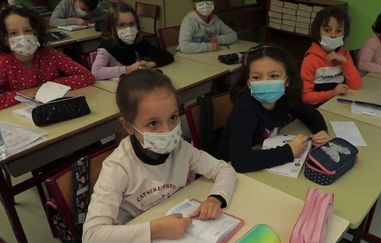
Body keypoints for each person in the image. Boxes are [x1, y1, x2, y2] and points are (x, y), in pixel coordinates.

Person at [83, 69, 237, 242]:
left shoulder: (180, 148)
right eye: (153, 123)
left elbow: (223, 168)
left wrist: (215, 199)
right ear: (128, 126)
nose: (167, 131)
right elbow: (92, 236)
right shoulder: (118, 166)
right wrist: (154, 229)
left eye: (173, 117)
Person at [217, 44, 329, 173]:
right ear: (248, 82)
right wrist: (289, 151)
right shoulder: (245, 109)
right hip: (227, 169)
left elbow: (312, 115)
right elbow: (240, 160)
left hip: (262, 156)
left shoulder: (285, 97)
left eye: (274, 76)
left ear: (287, 80)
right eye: (256, 77)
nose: (265, 82)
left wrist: (321, 130)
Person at [0, 6, 95, 110]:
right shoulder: (3, 62)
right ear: (5, 40)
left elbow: (86, 76)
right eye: (13, 33)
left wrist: (49, 87)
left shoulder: (49, 54)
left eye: (28, 30)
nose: (22, 37)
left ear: (36, 33)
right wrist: (20, 94)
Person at [91, 2, 173, 80]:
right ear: (112, 27)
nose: (128, 29)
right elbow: (96, 72)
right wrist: (129, 69)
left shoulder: (139, 42)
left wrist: (150, 64)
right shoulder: (106, 47)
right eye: (122, 25)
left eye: (132, 24)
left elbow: (167, 56)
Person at [301, 6, 361, 106]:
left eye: (338, 31)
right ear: (318, 31)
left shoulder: (344, 54)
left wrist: (345, 62)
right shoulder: (310, 59)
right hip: (318, 107)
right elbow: (306, 97)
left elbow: (356, 86)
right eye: (327, 30)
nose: (333, 35)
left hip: (339, 104)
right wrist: (332, 93)